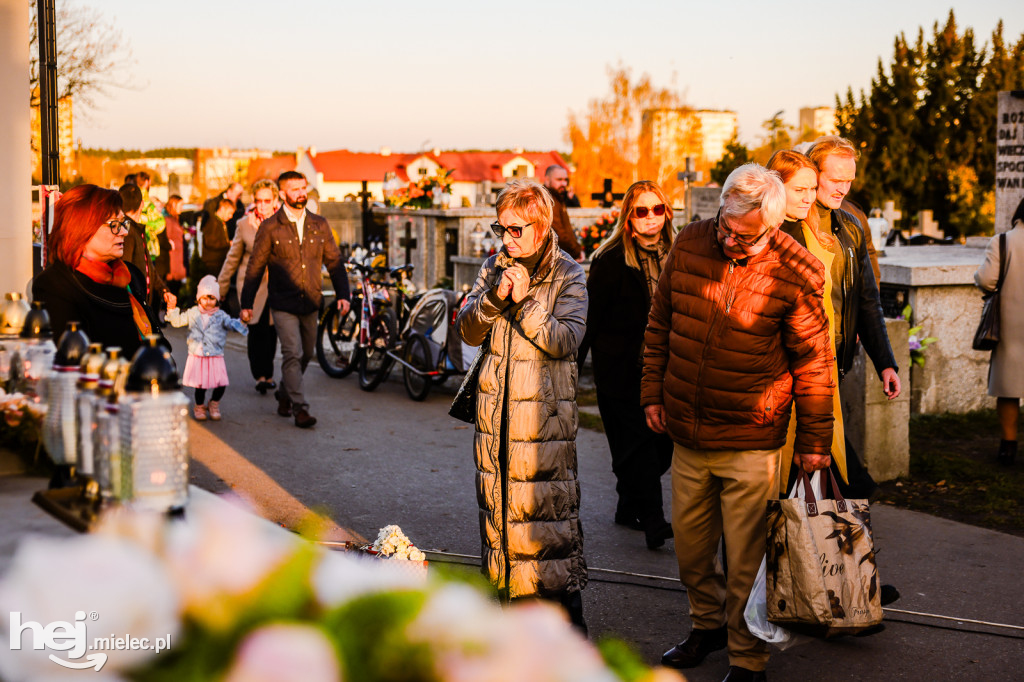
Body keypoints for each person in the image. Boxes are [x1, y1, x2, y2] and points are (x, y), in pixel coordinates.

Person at [643, 164, 835, 682]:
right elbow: (661, 322)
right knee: (690, 551)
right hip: (687, 432)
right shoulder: (688, 243)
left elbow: (815, 364)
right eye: (725, 226)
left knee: (748, 563)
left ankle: (749, 659)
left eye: (743, 235)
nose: (729, 239)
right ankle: (705, 628)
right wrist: (651, 393)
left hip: (752, 440)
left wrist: (815, 441)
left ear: (772, 226)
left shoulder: (796, 271)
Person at [454, 179, 589, 632]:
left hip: (544, 425)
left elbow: (566, 340)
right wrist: (495, 297)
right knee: (502, 531)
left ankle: (572, 650)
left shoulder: (568, 273)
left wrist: (527, 299)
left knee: (549, 539)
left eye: (516, 229)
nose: (507, 239)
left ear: (541, 225)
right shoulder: (494, 266)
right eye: (501, 227)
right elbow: (469, 330)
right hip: (496, 422)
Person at [577, 180, 674, 550]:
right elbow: (591, 319)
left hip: (667, 368)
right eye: (642, 211)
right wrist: (572, 371)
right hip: (621, 368)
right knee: (638, 445)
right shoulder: (611, 258)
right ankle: (653, 520)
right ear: (629, 217)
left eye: (657, 209)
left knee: (663, 444)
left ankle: (626, 502)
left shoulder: (680, 254)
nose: (651, 218)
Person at [804, 136, 901, 498]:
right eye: (835, 180)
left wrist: (886, 363)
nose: (843, 189)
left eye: (849, 180)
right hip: (790, 370)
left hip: (834, 365)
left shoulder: (850, 227)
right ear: (813, 174)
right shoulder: (788, 225)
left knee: (820, 470)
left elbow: (867, 301)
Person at [240, 171, 350, 429]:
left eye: (303, 188)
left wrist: (344, 294)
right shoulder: (270, 227)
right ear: (282, 194)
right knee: (292, 353)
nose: (302, 193)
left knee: (306, 354)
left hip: (311, 301)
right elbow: (255, 267)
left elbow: (334, 261)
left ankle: (284, 392)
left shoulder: (319, 224)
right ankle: (300, 408)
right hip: (282, 303)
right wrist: (246, 303)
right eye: (295, 189)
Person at [31, 184, 162, 358]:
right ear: (81, 228)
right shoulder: (56, 285)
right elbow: (70, 360)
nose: (123, 232)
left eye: (124, 223)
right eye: (114, 224)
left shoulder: (130, 275)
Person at [975, 196, 1024, 466]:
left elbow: (986, 279)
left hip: (1011, 324)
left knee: (1009, 388)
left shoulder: (1003, 241)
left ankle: (1008, 446)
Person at [219, 179, 280, 395]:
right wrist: (221, 287)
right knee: (256, 332)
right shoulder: (244, 224)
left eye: (266, 200)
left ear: (275, 201)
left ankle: (269, 373)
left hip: (275, 287)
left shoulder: (283, 223)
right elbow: (232, 258)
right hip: (251, 288)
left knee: (272, 333)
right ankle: (260, 376)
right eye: (258, 201)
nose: (261, 205)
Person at [164, 276, 247, 422]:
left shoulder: (221, 315)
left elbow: (232, 324)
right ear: (198, 299)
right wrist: (171, 310)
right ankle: (200, 406)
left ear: (217, 299)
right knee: (200, 386)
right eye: (204, 298)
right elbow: (177, 321)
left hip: (216, 355)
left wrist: (243, 321)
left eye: (212, 298)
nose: (208, 302)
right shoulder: (193, 312)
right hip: (198, 354)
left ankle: (214, 404)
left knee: (220, 384)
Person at [119, 183, 166, 309]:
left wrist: (164, 290)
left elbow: (149, 267)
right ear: (141, 205)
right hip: (133, 307)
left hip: (140, 304)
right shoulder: (127, 232)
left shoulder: (135, 229)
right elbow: (124, 271)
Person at [543, 164, 584, 261]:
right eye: (559, 179)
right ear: (547, 180)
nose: (564, 184)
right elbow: (558, 233)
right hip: (556, 259)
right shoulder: (548, 200)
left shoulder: (558, 197)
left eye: (566, 180)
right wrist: (576, 251)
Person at [191, 198, 234, 288]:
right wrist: (227, 244)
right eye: (230, 213)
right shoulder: (212, 222)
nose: (231, 216)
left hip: (217, 262)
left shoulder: (219, 222)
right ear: (222, 209)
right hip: (212, 264)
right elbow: (210, 242)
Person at [163, 195, 189, 296]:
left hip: (178, 261)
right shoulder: (168, 220)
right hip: (173, 264)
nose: (182, 208)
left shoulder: (175, 219)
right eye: (181, 205)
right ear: (174, 204)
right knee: (172, 290)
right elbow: (167, 240)